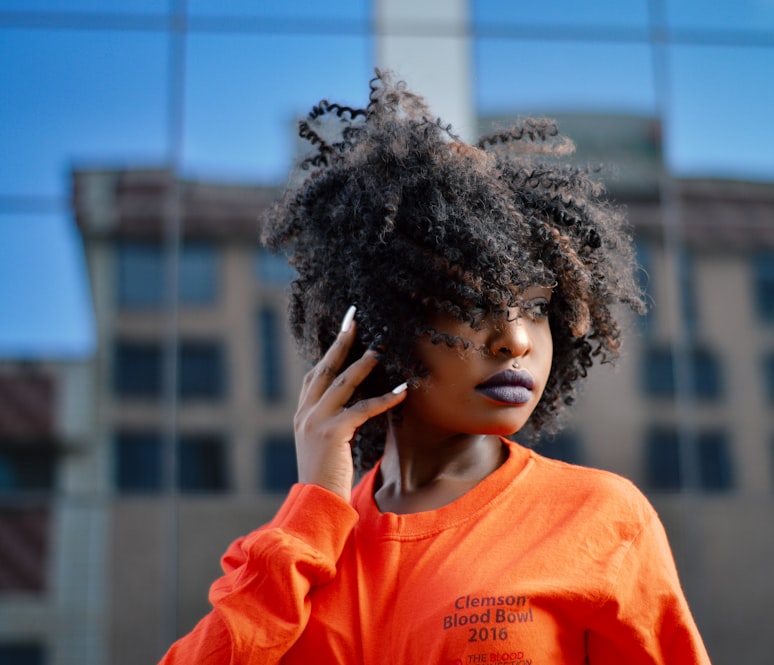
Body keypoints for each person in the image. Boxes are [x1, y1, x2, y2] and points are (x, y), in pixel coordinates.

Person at [159, 69, 711, 665]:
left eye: (535, 306)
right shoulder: (297, 551)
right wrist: (312, 509)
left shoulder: (599, 517)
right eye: (470, 305)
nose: (515, 340)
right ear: (380, 324)